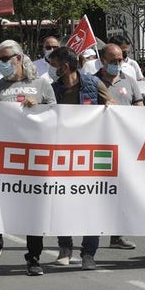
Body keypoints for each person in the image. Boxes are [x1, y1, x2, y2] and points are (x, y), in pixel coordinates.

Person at [0, 40, 56, 275]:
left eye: (6, 59)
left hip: (34, 157)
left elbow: (57, 115)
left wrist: (39, 107)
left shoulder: (41, 85)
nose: (2, 63)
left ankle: (33, 257)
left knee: (34, 208)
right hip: (3, 159)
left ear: (19, 58)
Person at [49, 46, 111, 269]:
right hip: (62, 154)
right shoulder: (52, 90)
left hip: (91, 154)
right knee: (62, 202)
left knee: (91, 204)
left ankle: (88, 254)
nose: (51, 69)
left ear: (65, 66)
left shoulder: (93, 84)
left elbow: (112, 108)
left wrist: (111, 108)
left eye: (54, 65)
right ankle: (65, 247)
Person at [96, 42, 144, 252]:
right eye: (113, 60)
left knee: (121, 189)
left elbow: (139, 108)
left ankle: (117, 234)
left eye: (120, 60)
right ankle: (93, 234)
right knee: (99, 190)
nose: (118, 64)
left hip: (124, 144)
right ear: (103, 60)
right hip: (99, 143)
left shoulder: (130, 81)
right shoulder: (92, 81)